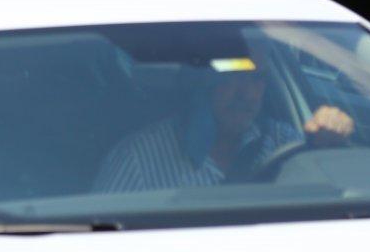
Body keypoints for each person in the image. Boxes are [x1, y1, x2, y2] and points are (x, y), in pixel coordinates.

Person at [94, 60, 354, 192]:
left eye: (257, 79)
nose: (247, 93)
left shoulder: (283, 142)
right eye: (233, 76)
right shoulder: (138, 159)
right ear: (205, 82)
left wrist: (331, 144)